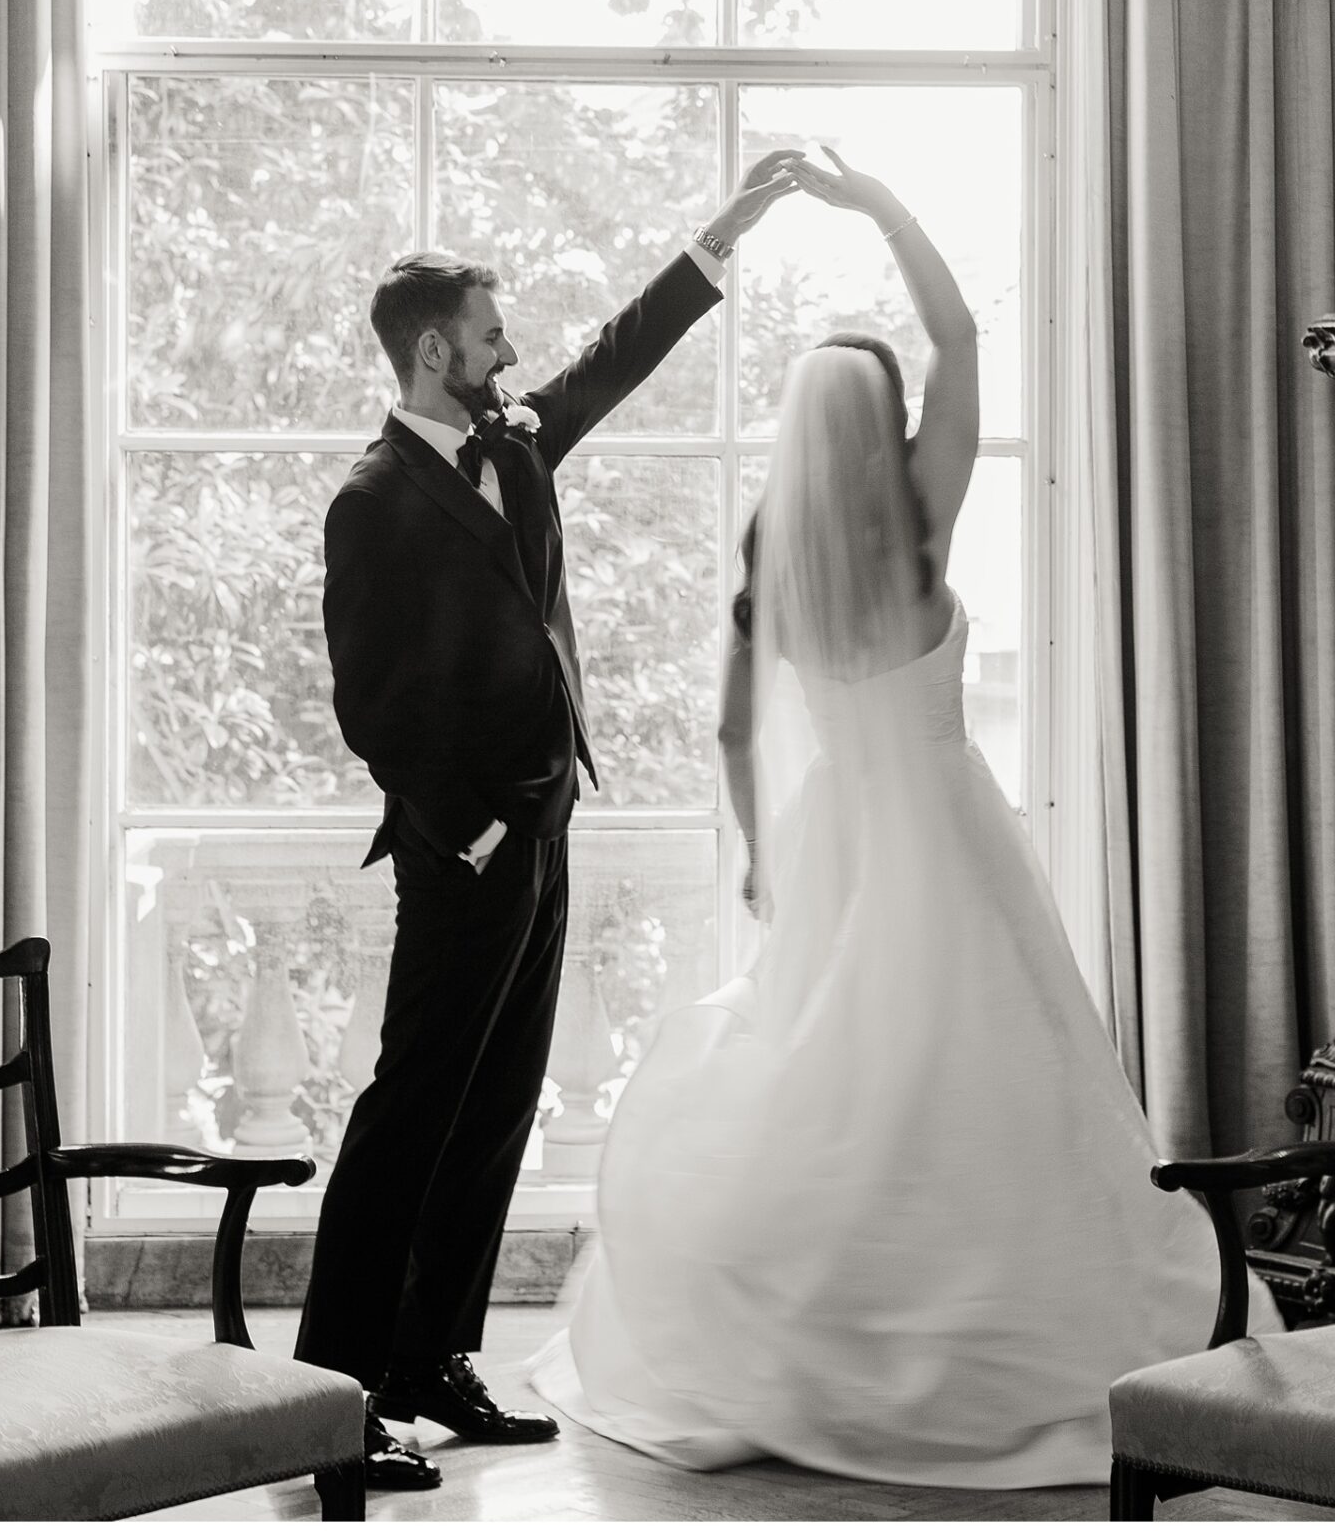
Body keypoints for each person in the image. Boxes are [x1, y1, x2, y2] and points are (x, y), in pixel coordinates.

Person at [531, 144, 1276, 1489]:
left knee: (840, 1089)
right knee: (993, 1094)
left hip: (837, 841)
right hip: (945, 832)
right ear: (879, 427)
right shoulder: (921, 525)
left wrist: (765, 854)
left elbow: (731, 727)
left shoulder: (781, 552)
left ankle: (825, 1334)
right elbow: (958, 331)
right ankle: (1004, 1333)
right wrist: (870, 202)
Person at [295, 153, 799, 1494]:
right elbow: (372, 704)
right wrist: (465, 833)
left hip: (546, 818)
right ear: (425, 354)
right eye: (487, 335)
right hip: (463, 844)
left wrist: (717, 240)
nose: (511, 352)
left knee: (497, 1106)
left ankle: (431, 1363)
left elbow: (610, 361)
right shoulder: (370, 502)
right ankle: (337, 1394)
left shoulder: (512, 442)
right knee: (411, 1111)